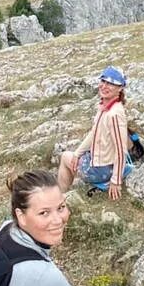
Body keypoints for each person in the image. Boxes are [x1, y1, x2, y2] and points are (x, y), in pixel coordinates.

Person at [57, 66, 132, 200]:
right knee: (73, 156)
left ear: (120, 88)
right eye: (103, 81)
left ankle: (59, 197)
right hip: (103, 162)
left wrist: (116, 181)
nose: (104, 86)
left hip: (102, 169)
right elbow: (94, 133)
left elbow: (121, 150)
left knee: (65, 157)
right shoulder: (104, 106)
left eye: (110, 83)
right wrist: (78, 153)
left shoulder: (114, 114)